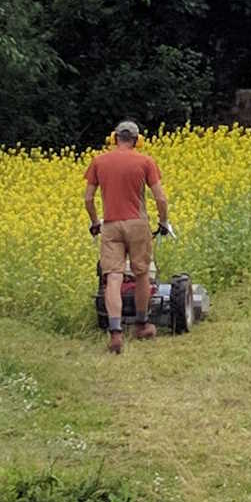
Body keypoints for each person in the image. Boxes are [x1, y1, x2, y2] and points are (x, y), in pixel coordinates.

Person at [83, 121, 172, 354]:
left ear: (114, 138)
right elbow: (161, 198)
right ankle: (142, 325)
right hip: (138, 224)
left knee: (113, 277)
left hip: (111, 225)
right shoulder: (145, 161)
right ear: (137, 140)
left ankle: (115, 332)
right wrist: (163, 222)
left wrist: (95, 221)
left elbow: (88, 198)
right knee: (141, 273)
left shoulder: (98, 161)